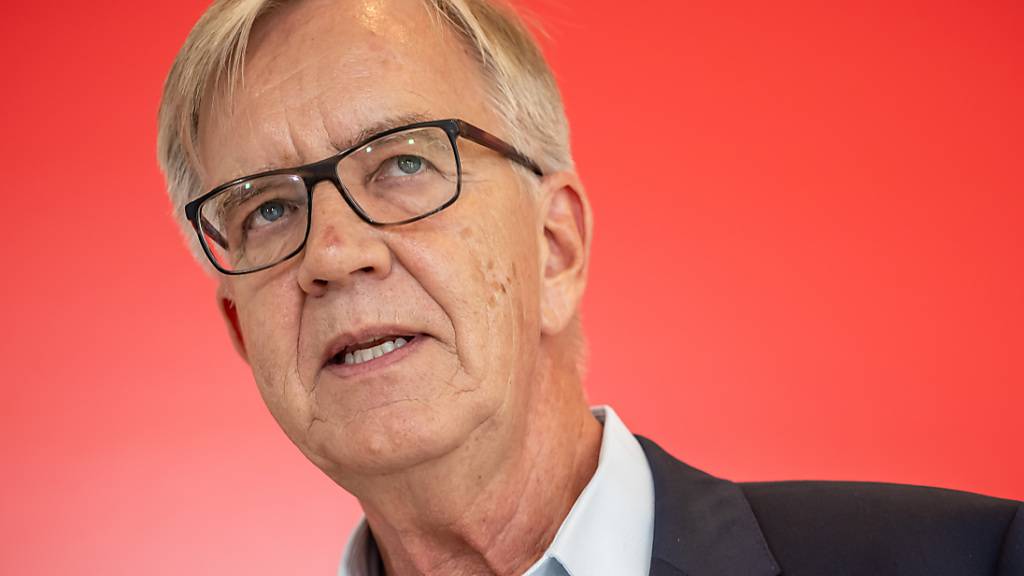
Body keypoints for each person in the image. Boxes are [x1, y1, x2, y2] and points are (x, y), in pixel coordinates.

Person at [157, 0, 1022, 574]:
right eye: (264, 210)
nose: (334, 255)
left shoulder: (976, 559)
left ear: (555, 246)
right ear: (243, 331)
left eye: (405, 162)